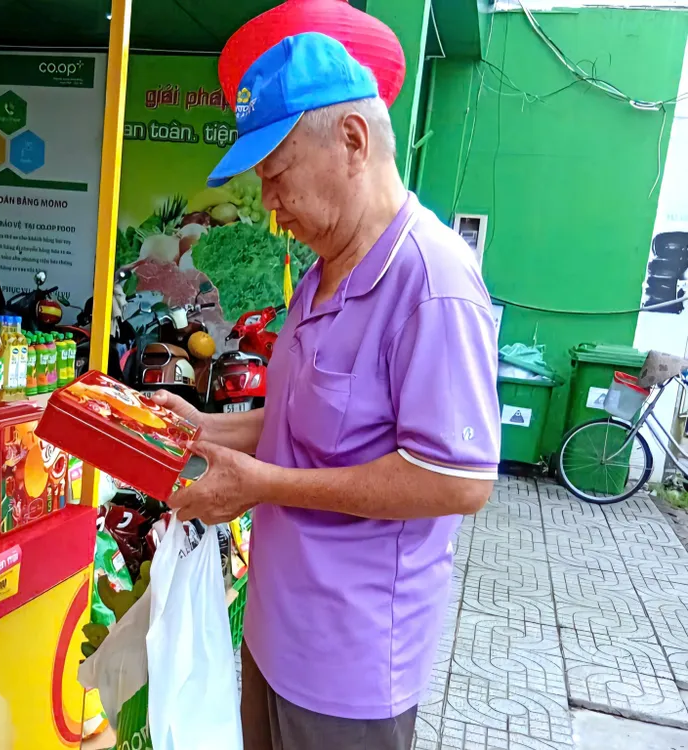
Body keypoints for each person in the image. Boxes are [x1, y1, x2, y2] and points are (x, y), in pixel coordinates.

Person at [154, 32, 501, 750]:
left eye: (278, 176)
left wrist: (260, 485)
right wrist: (198, 428)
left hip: (350, 664)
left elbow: (457, 479)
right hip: (276, 631)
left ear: (351, 140)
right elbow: (297, 425)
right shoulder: (318, 276)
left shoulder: (431, 281)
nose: (271, 206)